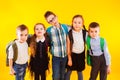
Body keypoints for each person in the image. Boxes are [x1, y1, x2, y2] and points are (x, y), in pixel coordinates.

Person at [44, 11, 69, 80]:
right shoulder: (49, 30)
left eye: (53, 18)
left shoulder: (65, 27)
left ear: (56, 17)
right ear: (48, 23)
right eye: (50, 21)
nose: (53, 21)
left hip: (65, 56)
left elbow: (76, 29)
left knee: (63, 74)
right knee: (56, 75)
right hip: (56, 57)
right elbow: (39, 35)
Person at [65, 15, 87, 80]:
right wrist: (69, 59)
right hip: (72, 55)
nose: (77, 24)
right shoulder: (69, 34)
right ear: (72, 23)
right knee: (69, 71)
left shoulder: (85, 33)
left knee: (80, 71)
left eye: (79, 23)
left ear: (82, 24)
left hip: (81, 55)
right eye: (75, 22)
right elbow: (68, 47)